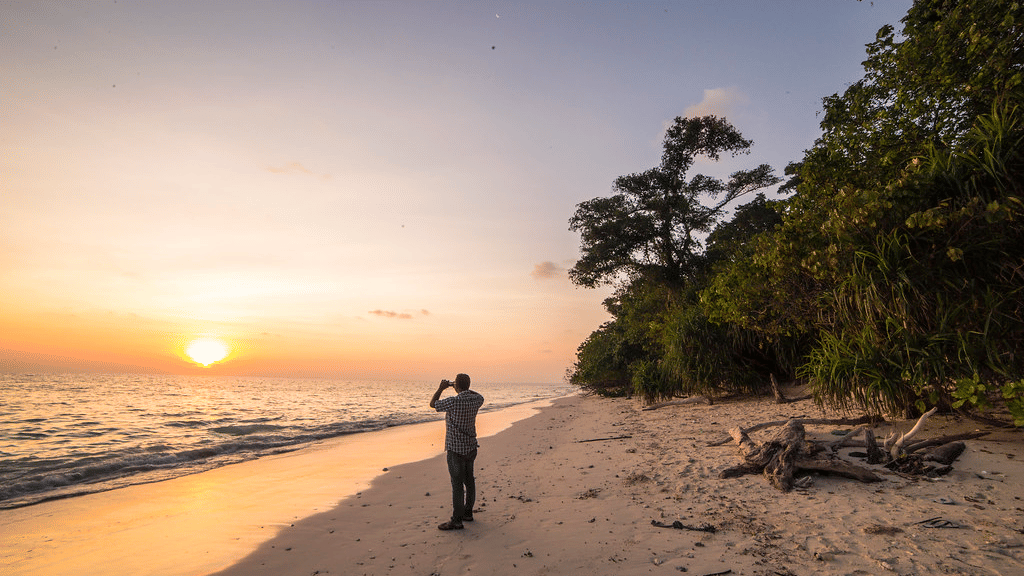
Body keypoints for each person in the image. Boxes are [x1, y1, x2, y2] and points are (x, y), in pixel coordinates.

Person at [429, 373, 484, 530]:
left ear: (456, 386)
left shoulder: (453, 401)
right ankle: (468, 513)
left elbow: (433, 404)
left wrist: (441, 388)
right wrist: (463, 387)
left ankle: (457, 520)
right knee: (469, 481)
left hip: (456, 449)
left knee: (457, 485)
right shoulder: (476, 400)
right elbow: (479, 395)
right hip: (471, 447)